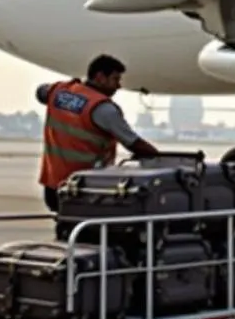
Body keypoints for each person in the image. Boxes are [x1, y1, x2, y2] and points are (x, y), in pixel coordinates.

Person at [37, 53, 160, 212]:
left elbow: (41, 92)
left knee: (65, 225)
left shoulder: (59, 92)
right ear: (100, 77)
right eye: (115, 79)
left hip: (54, 184)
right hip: (85, 188)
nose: (118, 86)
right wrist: (161, 157)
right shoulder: (102, 108)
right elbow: (134, 143)